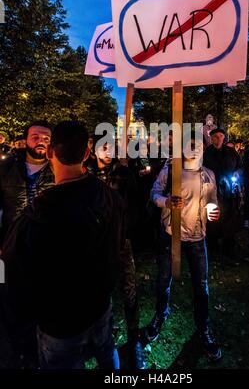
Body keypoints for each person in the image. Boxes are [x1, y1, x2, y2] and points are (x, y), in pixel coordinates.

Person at [2, 121, 124, 369]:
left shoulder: (38, 215)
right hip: (100, 304)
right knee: (107, 352)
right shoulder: (109, 195)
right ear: (87, 153)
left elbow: (13, 271)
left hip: (60, 322)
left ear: (50, 153)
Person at [144, 134, 222, 361]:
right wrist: (166, 201)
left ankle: (203, 328)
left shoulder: (209, 175)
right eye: (190, 145)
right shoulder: (170, 172)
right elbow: (154, 193)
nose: (195, 149)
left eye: (199, 146)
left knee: (201, 284)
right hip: (170, 235)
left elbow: (213, 199)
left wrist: (212, 209)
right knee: (163, 278)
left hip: (197, 238)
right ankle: (160, 315)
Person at [90, 137, 147, 369]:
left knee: (129, 288)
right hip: (93, 243)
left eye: (111, 147)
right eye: (103, 147)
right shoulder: (86, 174)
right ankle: (104, 334)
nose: (108, 151)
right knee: (98, 288)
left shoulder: (124, 173)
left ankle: (134, 339)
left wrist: (123, 229)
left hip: (120, 240)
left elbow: (134, 205)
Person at [0, 121, 54, 249]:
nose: (41, 142)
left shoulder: (60, 169)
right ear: (26, 140)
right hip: (12, 240)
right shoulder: (6, 167)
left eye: (46, 138)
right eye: (35, 137)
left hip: (48, 242)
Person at [203, 128, 242, 257]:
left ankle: (229, 246)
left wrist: (237, 174)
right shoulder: (206, 153)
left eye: (221, 136)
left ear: (224, 138)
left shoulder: (231, 152)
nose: (218, 138)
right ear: (211, 138)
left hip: (229, 191)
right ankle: (212, 246)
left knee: (230, 218)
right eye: (216, 136)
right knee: (213, 217)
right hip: (213, 191)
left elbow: (240, 167)